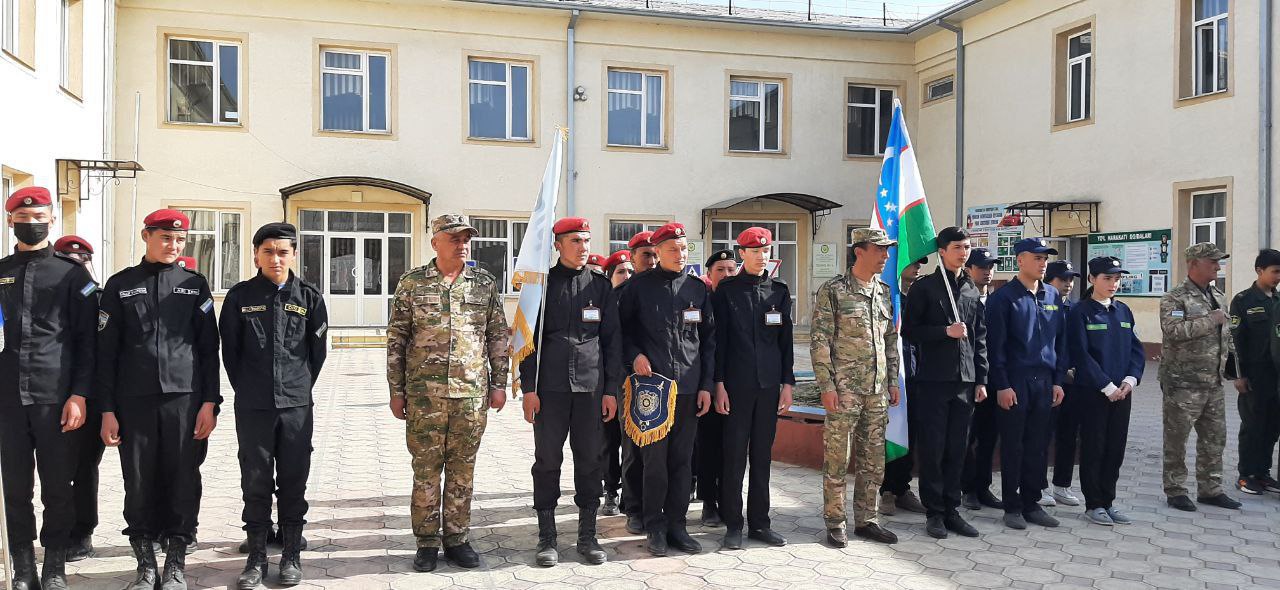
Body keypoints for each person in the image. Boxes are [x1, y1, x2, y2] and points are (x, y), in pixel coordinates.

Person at [98, 208, 222, 590]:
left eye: (180, 239)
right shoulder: (120, 285)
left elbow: (208, 348)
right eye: (166, 237)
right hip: (133, 401)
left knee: (183, 478)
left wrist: (210, 402)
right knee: (138, 481)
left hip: (184, 399)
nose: (173, 244)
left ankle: (175, 565)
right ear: (146, 236)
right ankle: (146, 565)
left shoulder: (194, 285)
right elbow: (106, 353)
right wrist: (106, 409)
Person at [386, 214, 510, 572]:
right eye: (454, 238)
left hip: (471, 394)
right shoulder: (412, 283)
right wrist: (396, 390)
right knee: (425, 470)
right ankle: (426, 542)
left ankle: (457, 538)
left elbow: (497, 336)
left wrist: (499, 384)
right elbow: (397, 338)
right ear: (435, 242)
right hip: (424, 395)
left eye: (466, 238)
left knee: (462, 470)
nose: (462, 245)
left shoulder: (483, 283)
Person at [220, 223, 329, 588]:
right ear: (256, 256)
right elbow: (231, 353)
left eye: (283, 252)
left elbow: (316, 354)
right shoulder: (239, 297)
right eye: (268, 251)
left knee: (294, 477)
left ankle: (291, 552)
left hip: (296, 405)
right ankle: (256, 556)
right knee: (255, 478)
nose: (276, 258)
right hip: (253, 405)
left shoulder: (309, 297)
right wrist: (250, 388)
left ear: (294, 255)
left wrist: (296, 387)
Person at [1, 187, 97, 590]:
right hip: (8, 399)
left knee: (58, 488)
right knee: (15, 489)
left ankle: (54, 566)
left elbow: (88, 342)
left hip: (55, 397)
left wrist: (79, 395)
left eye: (39, 217)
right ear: (10, 221)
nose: (32, 223)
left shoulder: (72, 274)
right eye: (23, 218)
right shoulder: (0, 271)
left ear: (52, 220)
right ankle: (23, 569)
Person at [519, 217, 621, 567]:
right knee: (547, 461)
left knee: (591, 461)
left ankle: (587, 536)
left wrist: (610, 391)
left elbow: (612, 342)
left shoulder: (600, 286)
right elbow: (526, 341)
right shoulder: (541, 286)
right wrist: (528, 389)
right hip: (549, 389)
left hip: (591, 389)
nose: (583, 247)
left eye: (586, 241)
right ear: (558, 245)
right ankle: (547, 537)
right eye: (575, 241)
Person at [617, 222, 714, 556]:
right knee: (654, 461)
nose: (680, 254)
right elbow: (620, 332)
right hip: (652, 389)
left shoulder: (697, 289)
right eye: (673, 249)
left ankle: (677, 525)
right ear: (657, 252)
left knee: (682, 461)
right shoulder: (637, 287)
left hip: (688, 387)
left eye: (684, 248)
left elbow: (708, 341)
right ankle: (654, 526)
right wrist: (635, 355)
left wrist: (706, 385)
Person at [812, 227, 901, 547]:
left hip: (876, 392)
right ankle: (835, 521)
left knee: (873, 461)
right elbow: (820, 340)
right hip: (844, 391)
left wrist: (892, 380)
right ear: (859, 251)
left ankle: (867, 519)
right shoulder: (834, 290)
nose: (885, 256)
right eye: (879, 249)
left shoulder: (884, 291)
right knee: (838, 459)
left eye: (887, 250)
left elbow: (890, 339)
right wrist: (827, 386)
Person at [901, 227, 988, 539]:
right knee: (934, 448)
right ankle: (935, 512)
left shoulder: (970, 288)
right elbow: (910, 330)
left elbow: (979, 337)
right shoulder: (925, 288)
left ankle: (953, 509)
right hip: (933, 381)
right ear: (942, 251)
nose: (963, 253)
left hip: (965, 381)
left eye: (967, 247)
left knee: (958, 448)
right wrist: (943, 332)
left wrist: (981, 378)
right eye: (957, 247)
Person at [711, 227, 793, 550]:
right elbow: (718, 342)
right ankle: (733, 523)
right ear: (741, 253)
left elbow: (785, 342)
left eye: (765, 250)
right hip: (736, 386)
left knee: (762, 457)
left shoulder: (779, 291)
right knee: (733, 457)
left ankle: (760, 523)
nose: (761, 256)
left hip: (769, 386)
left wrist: (788, 384)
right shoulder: (727, 291)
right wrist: (718, 384)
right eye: (754, 251)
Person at [985, 238, 1067, 530]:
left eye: (1045, 258)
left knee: (1038, 445)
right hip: (1015, 381)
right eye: (1037, 257)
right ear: (1020, 260)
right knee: (1013, 445)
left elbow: (1060, 341)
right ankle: (1012, 505)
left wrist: (1058, 380)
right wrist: (1002, 385)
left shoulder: (1052, 295)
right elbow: (995, 347)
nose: (1043, 263)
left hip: (1044, 381)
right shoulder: (1003, 299)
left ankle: (1032, 502)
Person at [1159, 242, 1241, 511]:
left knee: (1214, 439)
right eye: (1212, 261)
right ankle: (1176, 490)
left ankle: (1210, 489)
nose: (1218, 266)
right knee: (1177, 439)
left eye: (1219, 261)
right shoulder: (1175, 297)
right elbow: (1174, 331)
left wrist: (1233, 366)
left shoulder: (1218, 295)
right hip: (1182, 383)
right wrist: (1211, 320)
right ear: (1194, 264)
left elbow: (1225, 334)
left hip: (1213, 382)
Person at [1067, 257, 1145, 525]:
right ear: (1092, 279)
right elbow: (1080, 354)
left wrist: (1130, 380)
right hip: (1093, 392)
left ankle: (1108, 500)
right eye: (1107, 278)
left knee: (1115, 448)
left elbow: (1136, 350)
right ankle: (1094, 504)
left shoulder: (1123, 311)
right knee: (1094, 447)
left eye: (1117, 279)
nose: (1113, 284)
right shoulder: (1080, 312)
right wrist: (1106, 385)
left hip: (1122, 393)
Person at [52, 234, 106, 563]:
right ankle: (57, 530)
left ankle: (82, 532)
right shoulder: (45, 297)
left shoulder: (100, 299)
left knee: (84, 467)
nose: (75, 267)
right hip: (49, 394)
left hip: (91, 397)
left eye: (81, 261)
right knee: (56, 468)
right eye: (67, 261)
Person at [1226, 249, 1280, 495]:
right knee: (1253, 425)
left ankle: (1262, 473)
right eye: (1275, 271)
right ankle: (1246, 475)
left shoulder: (1277, 300)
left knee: (1272, 426)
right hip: (1253, 376)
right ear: (1259, 270)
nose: (1278, 277)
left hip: (1275, 376)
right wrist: (1238, 375)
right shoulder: (1243, 300)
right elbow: (1234, 341)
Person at [880, 255, 929, 517]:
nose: (918, 267)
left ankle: (902, 488)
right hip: (891, 378)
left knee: (912, 434)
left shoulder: (918, 299)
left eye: (921, 263)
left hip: (916, 377)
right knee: (891, 432)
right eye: (913, 262)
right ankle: (886, 489)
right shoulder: (887, 298)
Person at [695, 247, 737, 525]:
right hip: (708, 382)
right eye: (720, 270)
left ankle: (728, 499)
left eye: (731, 269)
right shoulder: (703, 300)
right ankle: (709, 501)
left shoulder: (741, 297)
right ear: (709, 274)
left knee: (732, 446)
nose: (726, 274)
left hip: (736, 382)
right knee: (708, 444)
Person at [619, 230, 657, 534]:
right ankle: (633, 507)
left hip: (662, 382)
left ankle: (655, 506)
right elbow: (616, 335)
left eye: (655, 254)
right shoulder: (623, 292)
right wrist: (633, 357)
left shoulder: (664, 288)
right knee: (633, 445)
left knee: (658, 448)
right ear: (632, 257)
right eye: (646, 255)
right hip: (631, 379)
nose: (652, 260)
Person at [961, 247, 1002, 511]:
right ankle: (968, 488)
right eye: (981, 267)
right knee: (968, 437)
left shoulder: (998, 301)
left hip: (995, 379)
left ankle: (983, 486)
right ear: (968, 269)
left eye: (990, 267)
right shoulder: (963, 297)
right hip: (969, 379)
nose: (987, 272)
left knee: (989, 436)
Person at [1044, 260, 1083, 509]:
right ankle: (1039, 485)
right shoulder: (1042, 305)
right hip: (1048, 380)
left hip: (1072, 383)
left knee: (1068, 436)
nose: (1068, 284)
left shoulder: (1076, 309)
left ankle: (1062, 485)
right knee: (1042, 435)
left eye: (1071, 280)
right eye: (1062, 279)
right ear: (1049, 281)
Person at [599, 249, 636, 517]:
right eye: (621, 272)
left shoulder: (638, 299)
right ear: (610, 276)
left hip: (633, 382)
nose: (627, 276)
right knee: (609, 440)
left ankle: (630, 495)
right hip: (608, 381)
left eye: (630, 271)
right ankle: (611, 490)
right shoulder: (604, 301)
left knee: (631, 441)